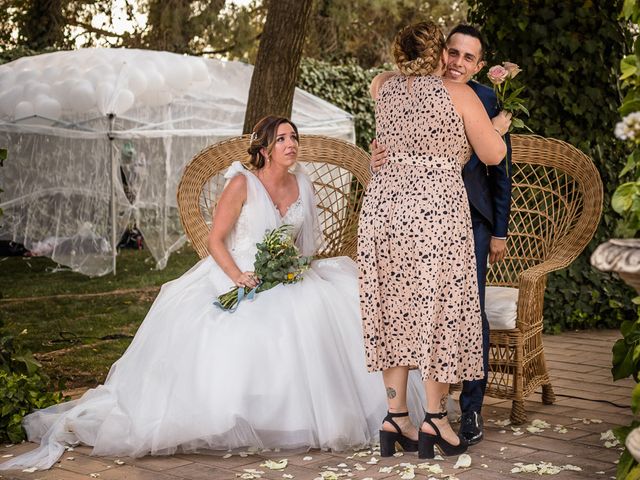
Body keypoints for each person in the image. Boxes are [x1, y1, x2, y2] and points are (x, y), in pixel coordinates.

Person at [1, 115, 424, 472]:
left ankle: (337, 415)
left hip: (285, 273)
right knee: (247, 327)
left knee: (324, 310)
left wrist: (292, 267)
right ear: (264, 149)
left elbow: (302, 245)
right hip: (235, 270)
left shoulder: (303, 185)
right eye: (282, 139)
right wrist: (239, 275)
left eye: (294, 137)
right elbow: (216, 240)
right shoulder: (241, 183)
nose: (292, 144)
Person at [358, 21, 507, 459]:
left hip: (384, 211)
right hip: (434, 214)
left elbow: (384, 94)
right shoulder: (459, 96)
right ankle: (436, 420)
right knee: (440, 311)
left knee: (395, 309)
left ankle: (395, 416)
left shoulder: (383, 86)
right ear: (441, 54)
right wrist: (495, 125)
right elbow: (493, 155)